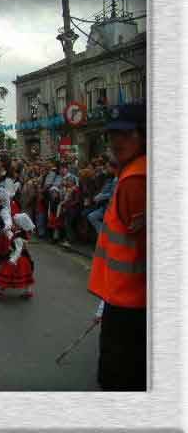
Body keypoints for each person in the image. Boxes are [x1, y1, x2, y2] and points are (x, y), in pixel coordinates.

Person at [88, 103, 147, 391]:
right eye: (112, 134)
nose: (116, 141)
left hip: (131, 303)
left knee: (118, 380)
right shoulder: (130, 172)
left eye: (126, 134)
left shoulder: (136, 179)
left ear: (144, 135)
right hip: (122, 295)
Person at [0, 212, 36, 299]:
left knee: (7, 273)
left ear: (19, 226)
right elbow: (12, 237)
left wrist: (12, 260)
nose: (12, 226)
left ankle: (0, 289)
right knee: (25, 275)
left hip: (17, 259)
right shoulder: (20, 234)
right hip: (23, 259)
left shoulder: (18, 237)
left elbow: (18, 250)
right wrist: (7, 232)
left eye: (14, 224)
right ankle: (28, 291)